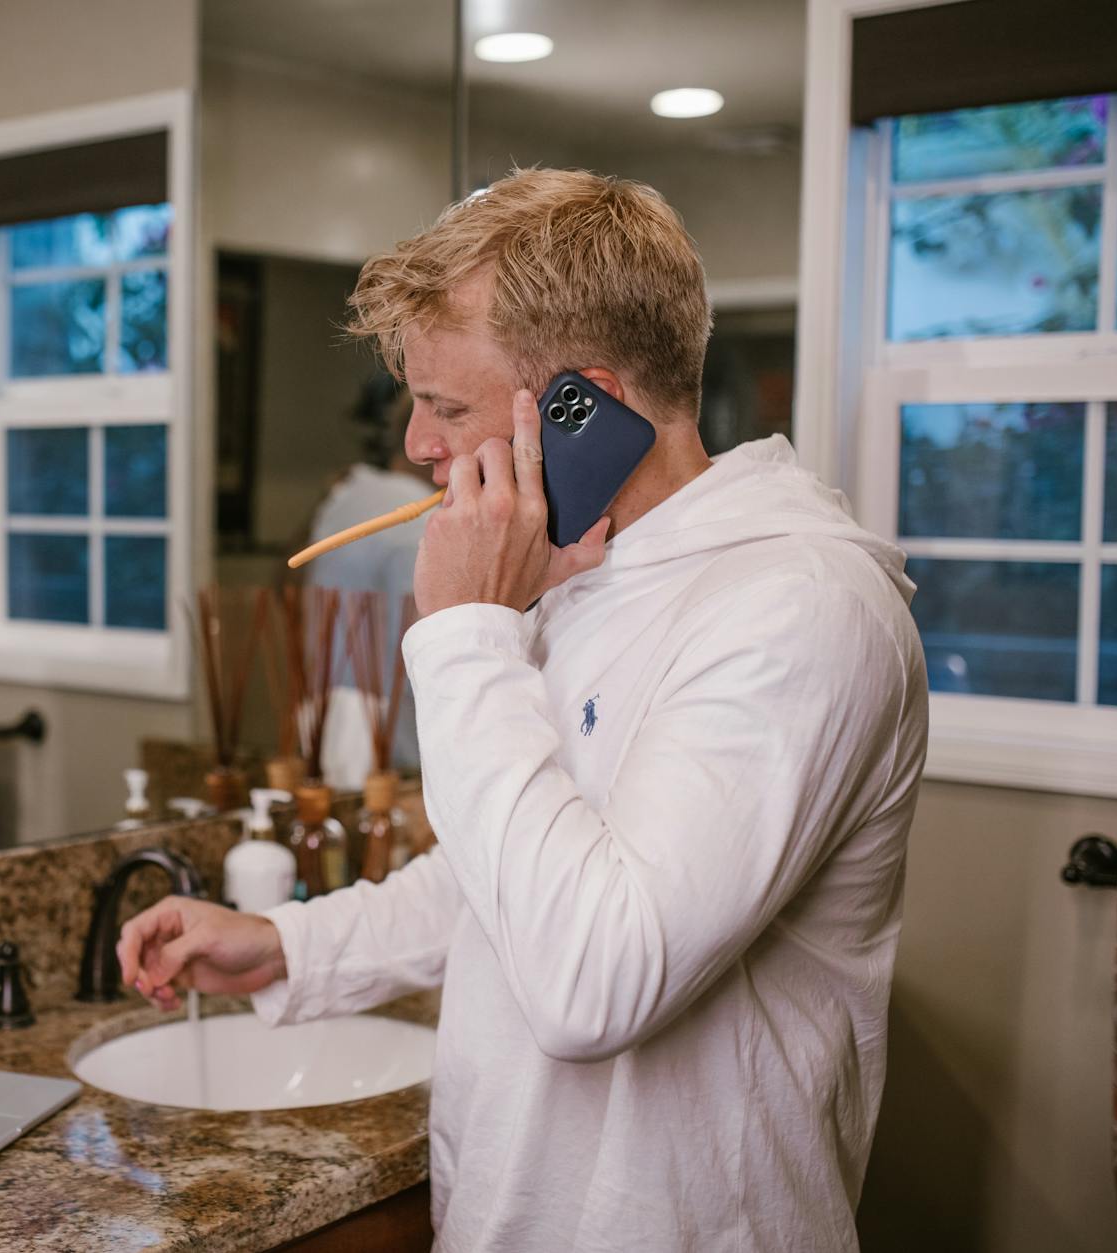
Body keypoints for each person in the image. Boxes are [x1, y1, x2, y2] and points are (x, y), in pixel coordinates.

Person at [119, 168, 927, 1251]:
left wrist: (464, 631)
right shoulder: (585, 572)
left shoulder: (800, 609)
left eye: (446, 406)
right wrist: (288, 944)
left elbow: (593, 977)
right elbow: (505, 879)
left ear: (579, 407)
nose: (416, 444)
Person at [303, 377, 433, 787]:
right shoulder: (419, 520)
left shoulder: (346, 498)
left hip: (326, 726)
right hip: (394, 749)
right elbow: (427, 649)